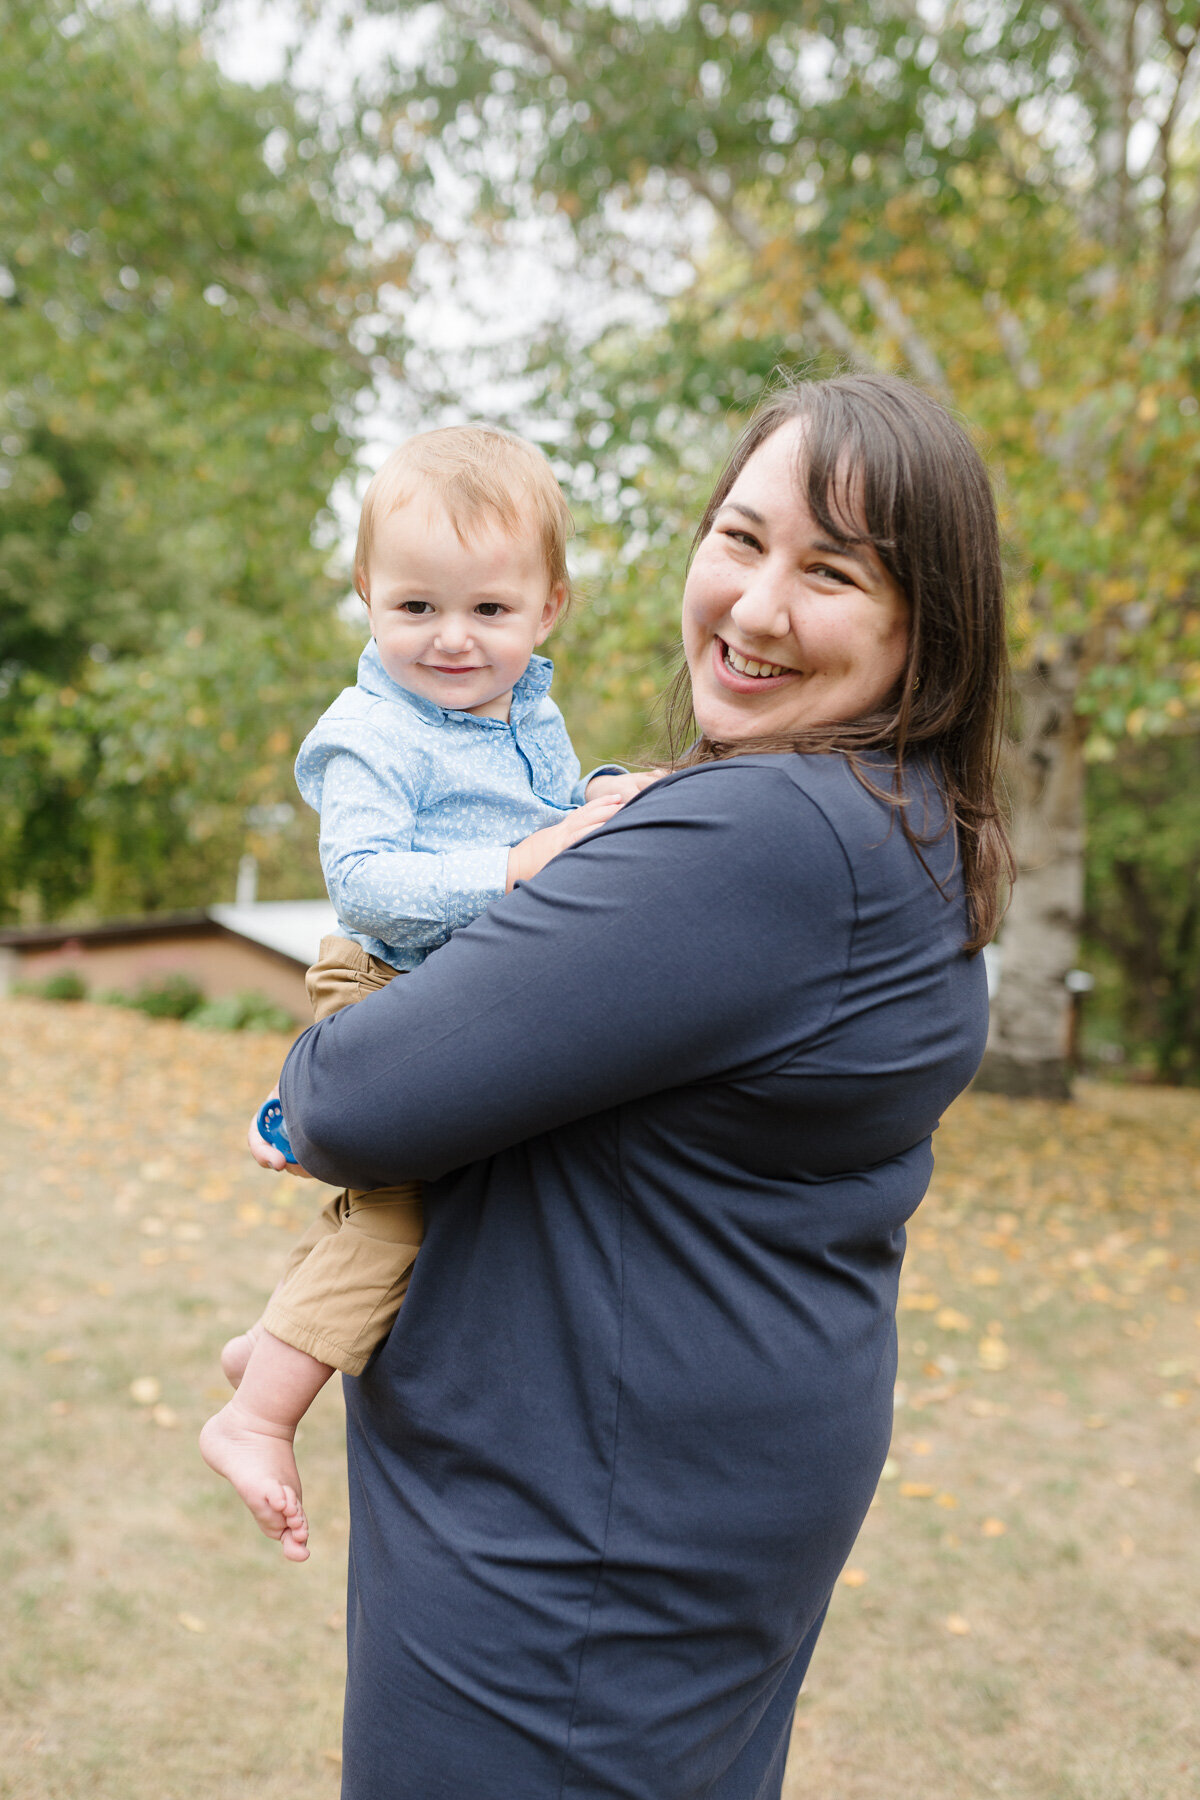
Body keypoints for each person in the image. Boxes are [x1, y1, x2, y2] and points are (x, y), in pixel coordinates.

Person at [254, 371, 1014, 1799]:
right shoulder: (908, 821)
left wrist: (296, 1081)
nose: (756, 606)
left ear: (931, 623)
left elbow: (347, 1100)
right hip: (696, 1511)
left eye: (833, 572)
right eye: (739, 538)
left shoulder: (764, 842)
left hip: (570, 1559)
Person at [200, 425, 651, 1560]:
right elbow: (364, 882)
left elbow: (539, 811)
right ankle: (256, 1415)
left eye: (488, 611)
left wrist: (606, 798)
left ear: (548, 606)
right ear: (367, 595)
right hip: (386, 980)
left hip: (458, 990)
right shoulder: (366, 735)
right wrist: (513, 870)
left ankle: (273, 1339)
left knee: (420, 1200)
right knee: (402, 1208)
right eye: (416, 609)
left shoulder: (524, 709)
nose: (453, 639)